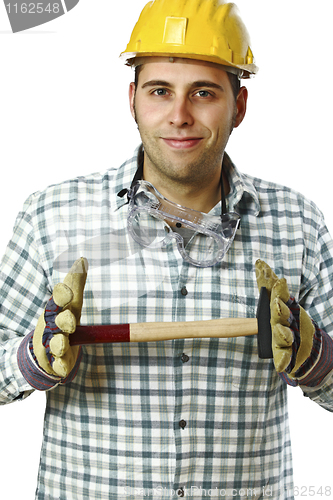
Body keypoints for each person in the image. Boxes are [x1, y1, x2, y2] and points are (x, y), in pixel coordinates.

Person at [1, 1, 333, 499]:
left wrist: (317, 360)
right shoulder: (53, 216)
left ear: (238, 106)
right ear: (133, 99)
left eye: (204, 93)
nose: (179, 116)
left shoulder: (296, 222)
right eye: (160, 92)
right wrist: (33, 358)